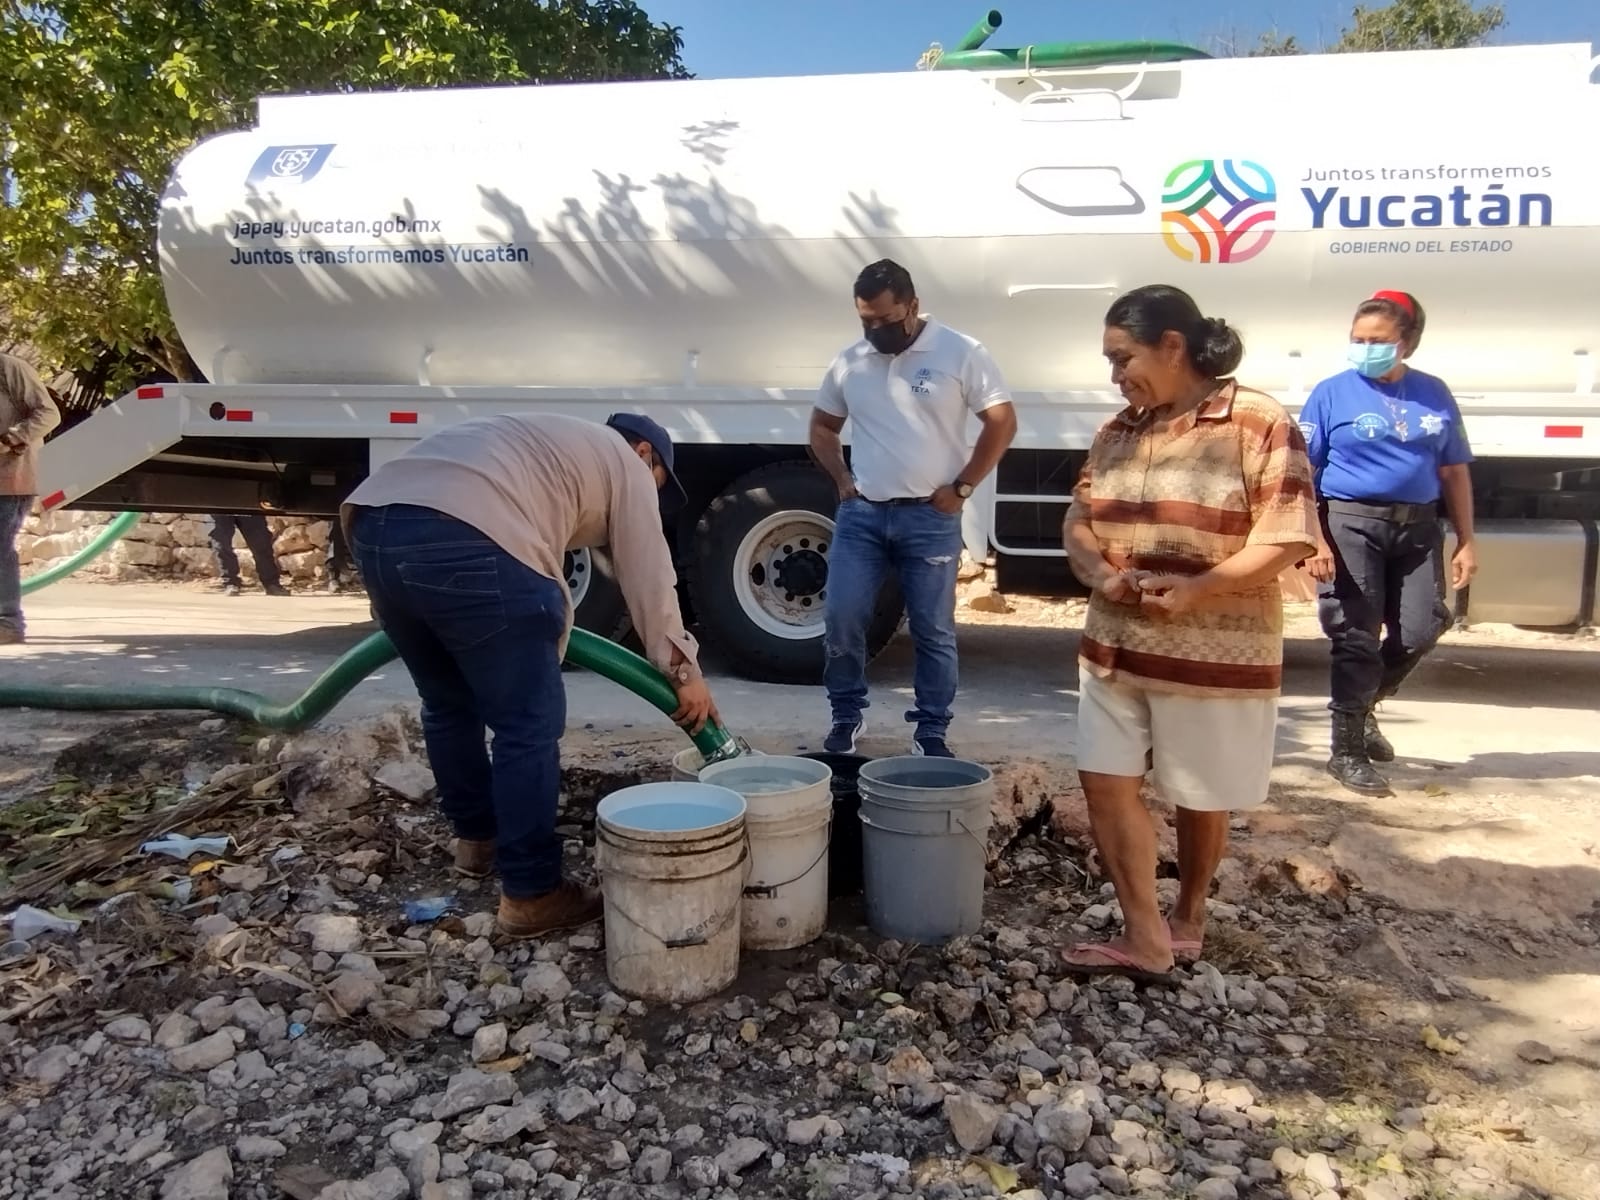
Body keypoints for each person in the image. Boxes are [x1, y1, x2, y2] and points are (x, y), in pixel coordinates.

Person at [343, 411, 721, 939]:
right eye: (658, 484)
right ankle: (532, 893)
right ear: (645, 454)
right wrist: (684, 671)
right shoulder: (626, 463)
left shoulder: (547, 439)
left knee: (449, 704)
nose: (652, 498)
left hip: (373, 525)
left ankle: (478, 842)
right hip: (467, 532)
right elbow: (649, 574)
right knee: (527, 725)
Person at [1060, 284, 1319, 980]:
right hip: (1113, 649)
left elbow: (1289, 535)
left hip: (1213, 654)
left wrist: (1202, 588)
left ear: (1173, 346)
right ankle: (1145, 935)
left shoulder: (1256, 421)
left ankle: (1189, 916)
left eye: (1124, 358)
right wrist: (1099, 572)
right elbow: (1078, 521)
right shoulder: (1118, 430)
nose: (1116, 376)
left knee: (1199, 793)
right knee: (1103, 782)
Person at [810, 259, 1017, 758]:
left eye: (885, 319)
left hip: (929, 517)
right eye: (866, 321)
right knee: (841, 619)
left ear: (913, 305)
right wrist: (841, 479)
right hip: (863, 518)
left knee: (934, 630)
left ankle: (931, 731)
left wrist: (963, 487)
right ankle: (845, 718)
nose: (876, 331)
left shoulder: (960, 352)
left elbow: (1002, 423)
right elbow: (822, 426)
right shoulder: (851, 361)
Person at [1302, 290, 1475, 796]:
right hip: (1350, 521)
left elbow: (1454, 470)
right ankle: (1347, 750)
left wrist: (1467, 539)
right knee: (1355, 636)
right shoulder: (1331, 393)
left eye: (1378, 341)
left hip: (1418, 527)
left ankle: (1364, 708)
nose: (1365, 349)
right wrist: (1314, 539)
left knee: (1424, 627)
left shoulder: (1433, 392)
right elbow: (1300, 472)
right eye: (1357, 340)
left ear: (1408, 343)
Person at [0, 352, 63, 646]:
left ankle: (8, 623)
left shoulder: (10, 368)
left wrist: (11, 438)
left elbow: (49, 413)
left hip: (10, 478)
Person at [209, 512, 289, 596]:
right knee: (221, 545)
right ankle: (230, 583)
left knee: (261, 544)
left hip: (248, 505)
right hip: (221, 506)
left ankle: (272, 584)